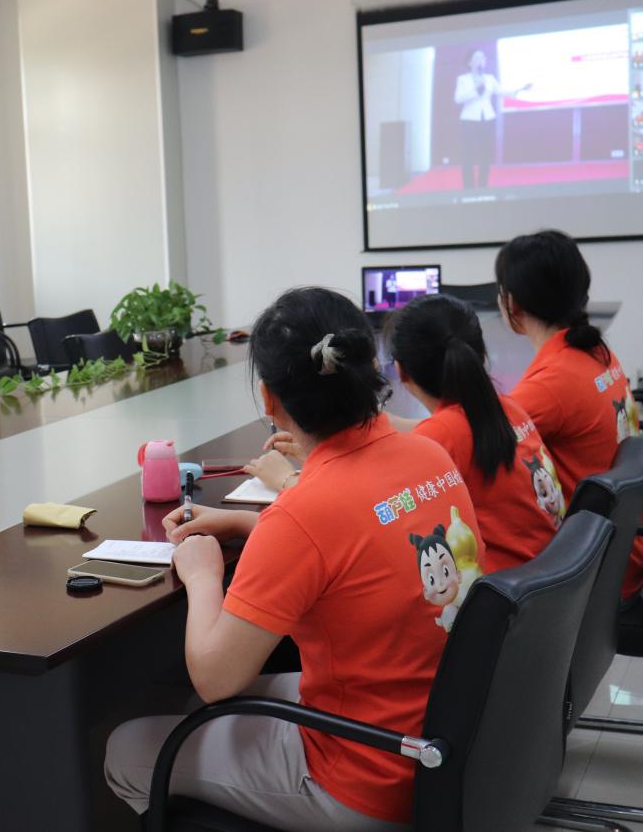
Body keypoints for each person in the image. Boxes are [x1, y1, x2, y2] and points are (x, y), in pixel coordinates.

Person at [105, 287, 484, 831]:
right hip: (446, 739)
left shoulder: (305, 511)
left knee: (126, 746)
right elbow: (352, 552)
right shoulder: (430, 454)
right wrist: (249, 525)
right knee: (189, 706)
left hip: (366, 780)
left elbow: (216, 677)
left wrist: (203, 573)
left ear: (268, 398)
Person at [497, 229, 642, 599]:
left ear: (511, 303)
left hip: (603, 565)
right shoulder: (596, 351)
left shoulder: (551, 384)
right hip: (626, 541)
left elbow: (467, 435)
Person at [386, 294, 561, 572]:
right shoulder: (506, 407)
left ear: (400, 370)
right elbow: (454, 433)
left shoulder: (441, 437)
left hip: (502, 588)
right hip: (548, 573)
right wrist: (386, 423)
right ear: (480, 354)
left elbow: (386, 510)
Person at [454, 49, 531, 188]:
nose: (481, 60)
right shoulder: (463, 79)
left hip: (488, 119)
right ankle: (468, 188)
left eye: (483, 57)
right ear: (470, 62)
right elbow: (458, 99)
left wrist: (520, 89)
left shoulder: (489, 78)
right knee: (468, 156)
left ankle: (483, 186)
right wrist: (475, 88)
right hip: (469, 120)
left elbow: (502, 91)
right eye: (477, 57)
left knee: (485, 155)